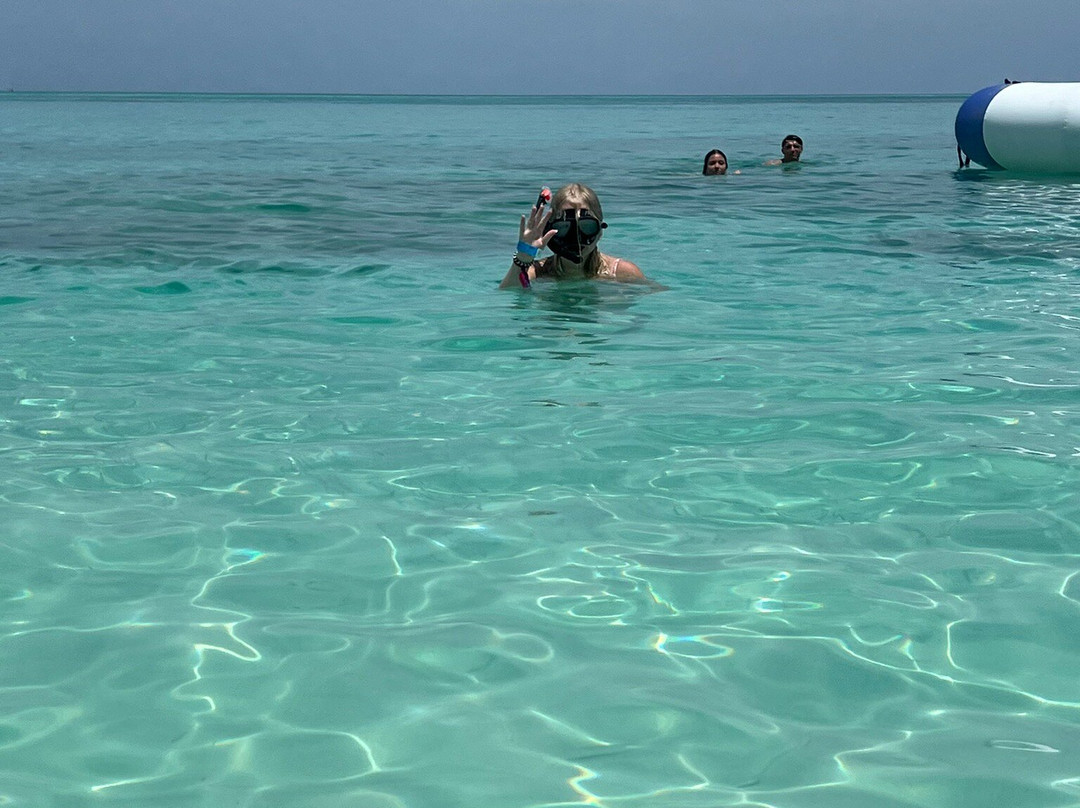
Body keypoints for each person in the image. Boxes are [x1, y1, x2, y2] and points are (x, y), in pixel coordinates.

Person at [501, 183, 646, 289]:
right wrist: (524, 256)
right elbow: (510, 294)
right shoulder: (537, 272)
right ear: (549, 231)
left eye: (586, 227)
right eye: (564, 227)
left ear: (600, 231)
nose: (576, 237)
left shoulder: (622, 273)